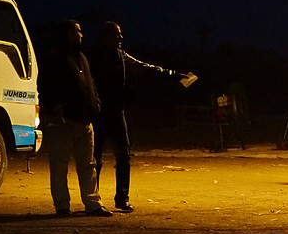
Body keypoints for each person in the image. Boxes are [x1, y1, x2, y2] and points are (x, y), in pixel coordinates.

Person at [87, 21, 186, 212]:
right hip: (98, 113)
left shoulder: (121, 56)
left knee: (123, 156)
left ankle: (122, 199)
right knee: (95, 158)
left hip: (116, 112)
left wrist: (174, 74)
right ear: (106, 37)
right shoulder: (93, 57)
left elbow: (147, 68)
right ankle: (93, 200)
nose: (121, 38)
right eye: (117, 34)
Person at [37, 20, 113, 217]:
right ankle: (62, 206)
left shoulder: (81, 58)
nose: (82, 35)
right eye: (78, 31)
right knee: (59, 167)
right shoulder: (54, 58)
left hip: (85, 121)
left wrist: (95, 102)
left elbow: (90, 83)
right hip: (63, 122)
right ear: (69, 34)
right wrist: (55, 107)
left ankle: (93, 204)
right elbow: (44, 86)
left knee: (88, 165)